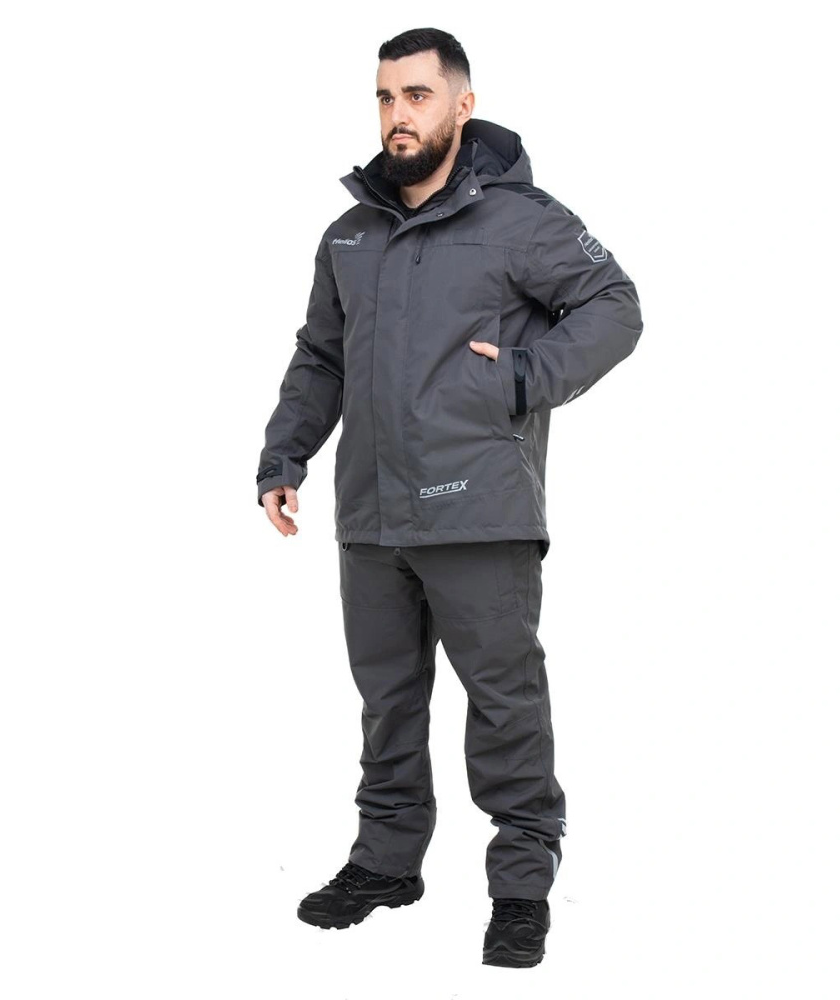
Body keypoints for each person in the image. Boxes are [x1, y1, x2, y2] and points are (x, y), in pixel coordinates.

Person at [256, 27, 642, 968]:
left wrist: (520, 377)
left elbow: (615, 305)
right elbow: (321, 356)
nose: (398, 114)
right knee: (387, 701)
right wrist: (284, 456)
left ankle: (521, 885)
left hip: (478, 506)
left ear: (462, 105)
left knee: (504, 702)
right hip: (371, 512)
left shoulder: (521, 220)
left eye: (417, 95)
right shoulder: (349, 233)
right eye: (385, 97)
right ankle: (386, 863)